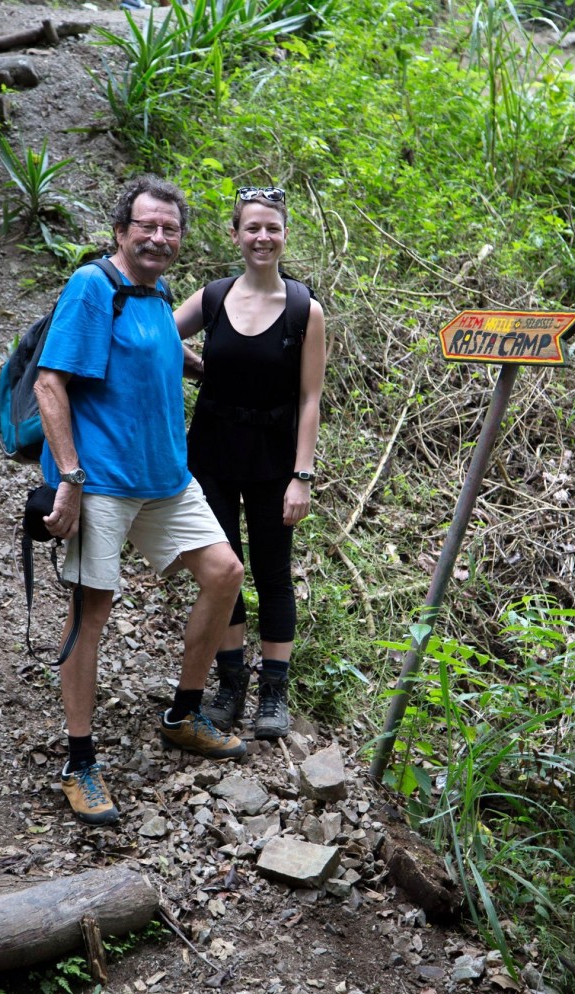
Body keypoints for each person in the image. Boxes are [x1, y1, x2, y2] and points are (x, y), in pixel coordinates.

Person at [34, 174, 247, 827]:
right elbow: (50, 383)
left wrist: (200, 364)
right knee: (90, 613)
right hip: (100, 480)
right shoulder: (92, 286)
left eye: (169, 228)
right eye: (146, 226)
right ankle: (78, 762)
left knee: (225, 572)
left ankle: (183, 714)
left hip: (166, 478)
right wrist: (69, 478)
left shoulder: (153, 293)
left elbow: (150, 348)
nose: (158, 237)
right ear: (121, 231)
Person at [174, 185, 326, 741]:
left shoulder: (304, 309)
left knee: (272, 570)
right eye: (252, 228)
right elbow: (155, 337)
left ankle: (273, 692)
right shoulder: (213, 298)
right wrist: (198, 367)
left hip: (274, 459)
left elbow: (310, 398)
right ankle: (230, 684)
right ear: (235, 234)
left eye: (272, 228)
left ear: (285, 235)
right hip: (211, 454)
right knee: (224, 571)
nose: (263, 237)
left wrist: (301, 476)